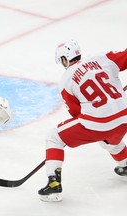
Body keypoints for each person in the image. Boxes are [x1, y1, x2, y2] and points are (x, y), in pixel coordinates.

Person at [38, 39, 127, 202]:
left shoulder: (65, 81)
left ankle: (53, 184)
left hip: (99, 123)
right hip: (124, 117)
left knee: (54, 137)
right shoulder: (102, 58)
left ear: (64, 59)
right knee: (110, 140)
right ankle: (125, 165)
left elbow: (76, 113)